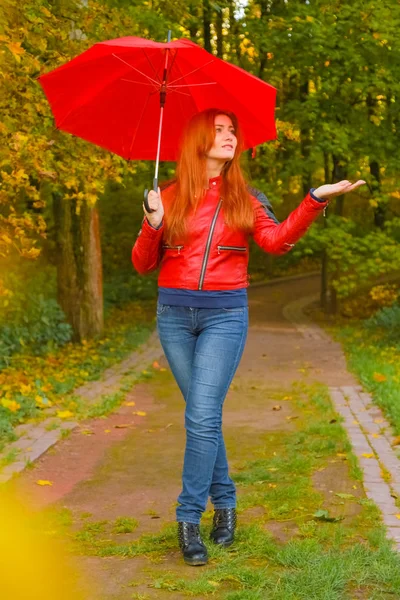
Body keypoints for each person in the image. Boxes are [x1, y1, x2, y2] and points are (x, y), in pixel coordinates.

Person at [131, 108, 365, 566]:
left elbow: (277, 242)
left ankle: (188, 517)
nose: (230, 137)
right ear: (197, 138)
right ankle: (228, 504)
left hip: (224, 316)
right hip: (173, 315)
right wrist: (153, 222)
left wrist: (314, 198)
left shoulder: (246, 197)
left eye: (232, 131)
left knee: (200, 416)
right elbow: (142, 263)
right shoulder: (168, 196)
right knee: (205, 416)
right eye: (219, 130)